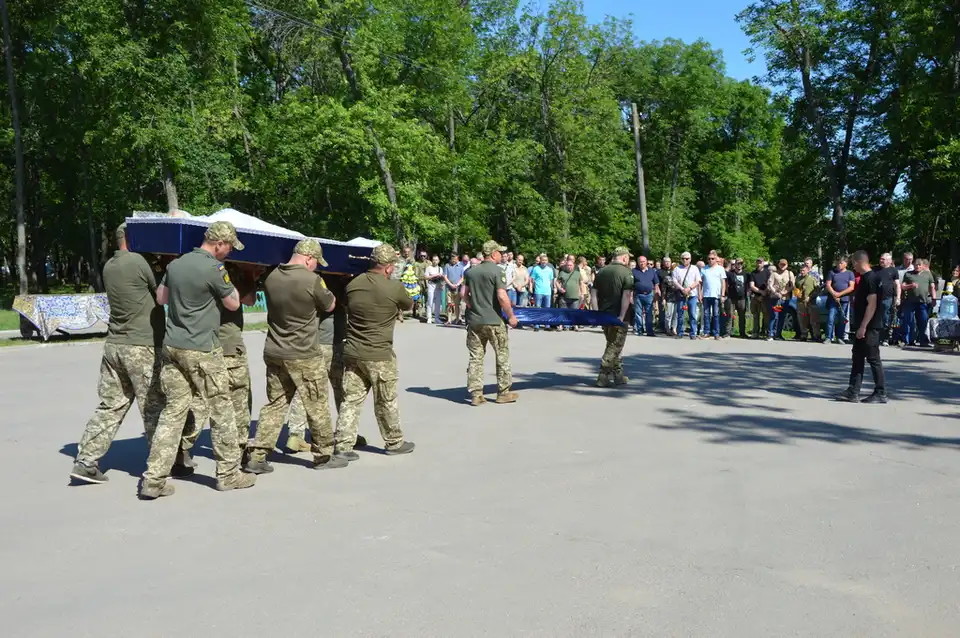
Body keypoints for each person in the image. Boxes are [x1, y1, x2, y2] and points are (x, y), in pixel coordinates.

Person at [140, 221, 255, 499]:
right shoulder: (214, 269)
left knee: (173, 411)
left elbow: (161, 297)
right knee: (221, 409)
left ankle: (154, 479)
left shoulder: (176, 265)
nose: (229, 253)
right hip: (203, 349)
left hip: (172, 347)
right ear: (219, 244)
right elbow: (233, 304)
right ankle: (228, 474)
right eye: (229, 247)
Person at [70, 224, 166, 484]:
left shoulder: (110, 264)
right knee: (153, 406)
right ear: (134, 239)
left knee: (111, 405)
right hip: (141, 345)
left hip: (115, 344)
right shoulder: (138, 262)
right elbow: (161, 295)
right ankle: (162, 467)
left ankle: (86, 460)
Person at [243, 240, 343, 472]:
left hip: (275, 350)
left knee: (276, 404)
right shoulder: (312, 280)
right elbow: (329, 305)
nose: (316, 266)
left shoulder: (272, 277)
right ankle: (324, 455)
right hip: (304, 352)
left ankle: (258, 455)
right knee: (316, 404)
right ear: (308, 258)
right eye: (316, 262)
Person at [333, 244, 416, 459]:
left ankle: (343, 444)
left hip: (353, 352)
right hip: (379, 354)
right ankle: (394, 442)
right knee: (386, 400)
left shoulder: (353, 285)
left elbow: (344, 303)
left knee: (351, 400)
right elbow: (408, 305)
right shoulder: (393, 287)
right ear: (388, 268)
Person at [284, 274, 350, 453]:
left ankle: (296, 433)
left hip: (314, 341)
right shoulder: (336, 282)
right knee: (341, 388)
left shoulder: (311, 280)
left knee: (307, 388)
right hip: (331, 342)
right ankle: (345, 432)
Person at [462, 240, 520, 406]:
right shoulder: (497, 271)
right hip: (494, 320)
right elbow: (502, 296)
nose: (501, 255)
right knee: (502, 356)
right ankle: (503, 392)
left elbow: (464, 295)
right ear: (493, 254)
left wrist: (475, 307)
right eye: (500, 252)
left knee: (476, 357)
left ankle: (476, 394)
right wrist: (511, 316)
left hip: (475, 321)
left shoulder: (471, 272)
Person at [837, 251, 886, 403]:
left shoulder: (871, 278)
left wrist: (864, 326)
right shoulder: (865, 278)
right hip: (861, 325)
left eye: (853, 264)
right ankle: (853, 390)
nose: (853, 267)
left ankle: (880, 393)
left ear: (858, 262)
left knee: (873, 359)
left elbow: (872, 304)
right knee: (857, 357)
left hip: (869, 326)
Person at [593, 247, 634, 387]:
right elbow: (627, 295)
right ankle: (603, 375)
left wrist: (596, 312)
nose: (628, 260)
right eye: (628, 258)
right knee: (615, 345)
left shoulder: (602, 271)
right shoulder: (626, 272)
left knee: (613, 344)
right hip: (618, 314)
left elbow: (593, 293)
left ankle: (618, 375)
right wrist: (622, 315)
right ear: (624, 258)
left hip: (604, 313)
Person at [901, 258, 937, 347]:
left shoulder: (928, 274)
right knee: (909, 321)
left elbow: (932, 286)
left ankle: (923, 341)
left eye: (919, 265)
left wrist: (934, 298)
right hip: (910, 301)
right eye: (916, 265)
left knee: (923, 321)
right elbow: (903, 286)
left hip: (923, 302)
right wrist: (911, 285)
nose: (917, 266)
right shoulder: (908, 274)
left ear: (922, 266)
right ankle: (908, 341)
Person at [825, 258, 856, 344]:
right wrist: (834, 294)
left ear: (846, 264)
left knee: (842, 319)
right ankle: (828, 337)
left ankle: (840, 337)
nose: (839, 265)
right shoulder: (832, 272)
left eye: (841, 263)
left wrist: (840, 294)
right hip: (833, 299)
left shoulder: (850, 273)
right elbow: (828, 285)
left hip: (844, 300)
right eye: (838, 263)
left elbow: (851, 287)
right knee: (831, 318)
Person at [672, 252, 702, 340]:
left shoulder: (694, 268)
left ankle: (693, 333)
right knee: (680, 314)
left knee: (692, 314)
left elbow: (698, 281)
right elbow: (674, 280)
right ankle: (680, 332)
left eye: (687, 258)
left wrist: (689, 288)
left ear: (690, 259)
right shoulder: (677, 269)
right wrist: (682, 289)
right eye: (683, 258)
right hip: (681, 294)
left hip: (692, 294)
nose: (685, 260)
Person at [875, 253, 900, 346]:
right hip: (875, 298)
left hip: (887, 298)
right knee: (875, 318)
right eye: (880, 259)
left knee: (886, 318)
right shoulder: (875, 269)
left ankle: (885, 338)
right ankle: (875, 338)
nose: (881, 261)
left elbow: (897, 285)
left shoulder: (893, 271)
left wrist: (898, 298)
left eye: (883, 259)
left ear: (889, 261)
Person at [631, 255, 660, 337]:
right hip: (638, 295)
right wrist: (630, 296)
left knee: (649, 314)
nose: (642, 263)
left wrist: (656, 295)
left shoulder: (652, 271)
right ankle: (640, 330)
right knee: (638, 313)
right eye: (640, 262)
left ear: (646, 262)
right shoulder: (634, 271)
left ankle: (649, 331)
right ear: (638, 262)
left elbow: (656, 283)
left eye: (643, 261)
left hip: (649, 295)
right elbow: (630, 284)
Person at [700, 252, 726, 340]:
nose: (710, 260)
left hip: (716, 295)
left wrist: (722, 295)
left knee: (716, 314)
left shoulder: (720, 269)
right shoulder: (704, 269)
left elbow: (723, 283)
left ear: (716, 259)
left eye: (712, 259)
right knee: (706, 314)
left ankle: (716, 333)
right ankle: (706, 332)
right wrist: (700, 294)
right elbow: (700, 282)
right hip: (706, 295)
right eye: (709, 259)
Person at [768, 259, 795, 341]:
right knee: (774, 316)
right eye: (781, 264)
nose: (782, 266)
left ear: (787, 265)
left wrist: (785, 292)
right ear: (778, 265)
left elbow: (792, 285)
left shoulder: (790, 274)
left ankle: (778, 334)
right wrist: (775, 292)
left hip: (785, 299)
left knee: (782, 317)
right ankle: (771, 334)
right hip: (776, 299)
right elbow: (770, 284)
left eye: (784, 264)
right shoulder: (774, 274)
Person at [795, 263, 822, 342]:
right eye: (801, 270)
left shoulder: (812, 278)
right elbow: (795, 288)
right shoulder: (798, 278)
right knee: (802, 320)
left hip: (811, 303)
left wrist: (810, 297)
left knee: (814, 320)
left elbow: (817, 289)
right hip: (801, 303)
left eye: (803, 270)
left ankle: (817, 335)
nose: (802, 272)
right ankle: (804, 335)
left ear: (807, 270)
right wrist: (796, 293)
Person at [529, 253, 555, 331]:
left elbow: (551, 280)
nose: (544, 261)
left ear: (547, 261)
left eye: (545, 260)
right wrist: (531, 287)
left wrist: (553, 289)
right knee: (538, 308)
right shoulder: (536, 269)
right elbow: (532, 279)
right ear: (540, 261)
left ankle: (547, 325)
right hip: (538, 291)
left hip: (547, 292)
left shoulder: (550, 270)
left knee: (547, 309)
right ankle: (537, 325)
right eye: (543, 260)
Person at [555, 257, 583, 329]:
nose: (569, 267)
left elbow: (581, 283)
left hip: (575, 296)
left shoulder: (577, 273)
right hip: (564, 296)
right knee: (563, 311)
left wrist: (582, 293)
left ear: (573, 266)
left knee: (575, 312)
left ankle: (575, 325)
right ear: (566, 266)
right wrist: (559, 288)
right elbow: (557, 282)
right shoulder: (562, 273)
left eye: (571, 265)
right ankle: (561, 325)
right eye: (568, 265)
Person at [747, 257, 771, 339]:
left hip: (765, 297)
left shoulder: (768, 272)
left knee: (766, 315)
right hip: (755, 297)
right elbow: (752, 286)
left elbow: (770, 285)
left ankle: (767, 333)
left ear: (763, 263)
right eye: (757, 262)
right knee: (755, 315)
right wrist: (760, 292)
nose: (759, 264)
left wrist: (763, 295)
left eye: (760, 262)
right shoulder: (753, 273)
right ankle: (755, 332)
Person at [724, 258, 747, 338]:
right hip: (731, 297)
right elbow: (726, 284)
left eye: (741, 263)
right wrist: (726, 294)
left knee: (742, 315)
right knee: (729, 315)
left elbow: (748, 286)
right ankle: (728, 332)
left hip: (742, 298)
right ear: (735, 264)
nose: (739, 265)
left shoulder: (746, 274)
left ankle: (742, 333)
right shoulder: (730, 274)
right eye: (738, 263)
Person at [443, 253, 465, 324]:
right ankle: (449, 320)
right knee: (449, 304)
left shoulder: (461, 266)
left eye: (455, 259)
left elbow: (462, 277)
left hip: (457, 288)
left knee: (457, 304)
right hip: (449, 287)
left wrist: (457, 284)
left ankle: (457, 319)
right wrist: (450, 284)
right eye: (453, 259)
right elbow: (445, 277)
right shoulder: (447, 266)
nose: (454, 260)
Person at [657, 257, 677, 335]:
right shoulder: (660, 273)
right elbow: (659, 285)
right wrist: (662, 297)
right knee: (666, 314)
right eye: (665, 262)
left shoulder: (676, 274)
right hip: (666, 296)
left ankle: (673, 328)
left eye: (669, 261)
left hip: (676, 296)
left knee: (675, 314)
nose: (667, 263)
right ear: (663, 262)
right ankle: (665, 328)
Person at [424, 255, 444, 323]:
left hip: (438, 286)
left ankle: (437, 318)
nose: (435, 261)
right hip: (431, 285)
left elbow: (442, 278)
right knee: (430, 301)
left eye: (436, 260)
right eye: (434, 260)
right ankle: (429, 317)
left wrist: (442, 283)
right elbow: (426, 277)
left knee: (438, 303)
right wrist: (434, 275)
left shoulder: (440, 269)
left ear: (438, 261)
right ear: (432, 260)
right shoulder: (429, 268)